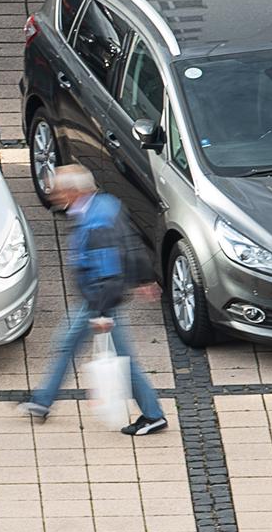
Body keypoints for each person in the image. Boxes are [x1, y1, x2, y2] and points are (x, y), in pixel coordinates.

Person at [19, 164, 168, 436]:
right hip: (97, 298)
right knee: (66, 345)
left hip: (100, 301)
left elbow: (108, 271)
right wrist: (143, 279)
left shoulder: (96, 222)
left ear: (75, 192)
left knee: (122, 360)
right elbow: (131, 245)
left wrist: (102, 313)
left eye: (59, 190)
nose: (53, 194)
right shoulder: (105, 204)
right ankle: (42, 401)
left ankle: (153, 415)